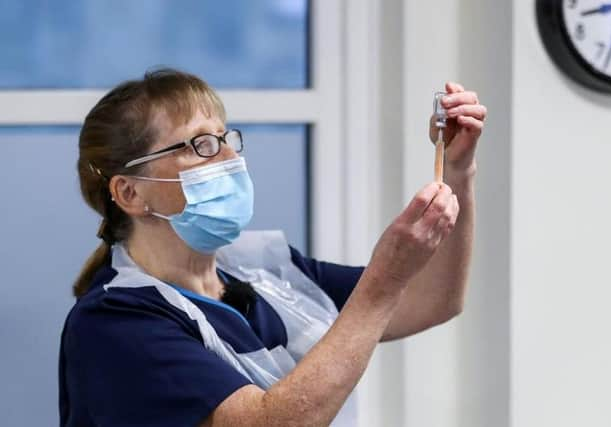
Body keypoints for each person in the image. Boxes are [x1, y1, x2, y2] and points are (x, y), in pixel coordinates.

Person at [58, 68, 486, 427]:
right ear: (130, 193)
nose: (228, 156)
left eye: (225, 138)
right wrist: (386, 277)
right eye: (200, 144)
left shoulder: (263, 272)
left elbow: (433, 300)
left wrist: (458, 168)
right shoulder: (115, 324)